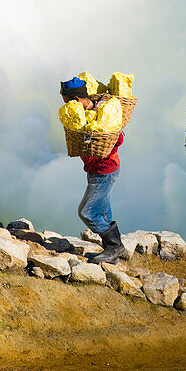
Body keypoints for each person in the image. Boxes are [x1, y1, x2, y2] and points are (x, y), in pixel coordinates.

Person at [60, 77, 126, 264]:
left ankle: (115, 246)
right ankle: (112, 254)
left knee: (87, 212)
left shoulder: (104, 113)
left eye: (68, 103)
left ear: (77, 100)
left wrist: (96, 137)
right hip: (96, 169)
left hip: (105, 170)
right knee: (104, 212)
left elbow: (118, 138)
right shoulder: (81, 115)